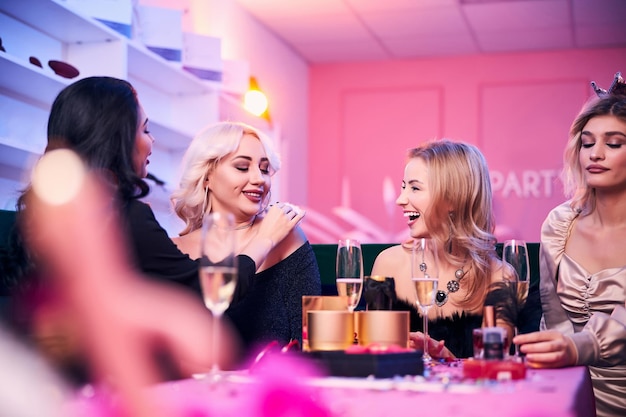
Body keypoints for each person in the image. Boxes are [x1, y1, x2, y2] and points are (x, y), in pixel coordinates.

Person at [0, 77, 301, 380]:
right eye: (144, 129)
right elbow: (201, 293)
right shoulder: (125, 216)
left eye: (264, 169)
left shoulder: (38, 217)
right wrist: (264, 238)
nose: (151, 140)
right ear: (117, 138)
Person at [515, 72, 626, 417]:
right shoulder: (559, 223)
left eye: (614, 143)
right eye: (587, 142)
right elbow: (554, 318)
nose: (596, 153)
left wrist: (580, 346)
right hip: (564, 390)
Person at [170, 121, 322, 353]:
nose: (259, 179)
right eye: (242, 167)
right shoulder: (174, 250)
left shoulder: (287, 237)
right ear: (207, 177)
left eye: (263, 169)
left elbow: (311, 341)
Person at [371, 139, 519, 359]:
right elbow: (372, 357)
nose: (401, 200)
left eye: (415, 188)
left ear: (452, 198)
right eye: (403, 187)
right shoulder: (387, 264)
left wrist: (449, 362)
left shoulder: (500, 277)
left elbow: (497, 371)